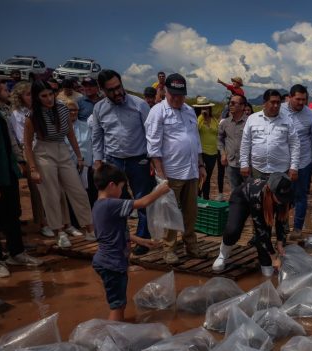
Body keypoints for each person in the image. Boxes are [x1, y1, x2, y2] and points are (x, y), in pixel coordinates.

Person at [0, 67, 42, 278]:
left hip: (7, 173)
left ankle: (16, 253)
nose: (3, 86)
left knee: (12, 215)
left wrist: (18, 164)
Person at [91, 163, 168, 321]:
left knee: (119, 302)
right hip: (112, 264)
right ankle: (113, 338)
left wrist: (142, 241)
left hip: (108, 261)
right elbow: (142, 203)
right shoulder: (111, 204)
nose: (121, 191)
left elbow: (116, 233)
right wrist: (160, 190)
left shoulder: (99, 205)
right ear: (111, 185)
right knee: (117, 305)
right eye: (121, 187)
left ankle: (116, 332)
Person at [145, 73, 208, 265]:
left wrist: (201, 164)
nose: (177, 99)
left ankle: (191, 245)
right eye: (173, 95)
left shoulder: (189, 110)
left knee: (191, 212)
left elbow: (195, 141)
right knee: (170, 212)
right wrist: (161, 175)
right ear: (165, 92)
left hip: (191, 171)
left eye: (180, 95)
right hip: (170, 172)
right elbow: (153, 146)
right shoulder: (158, 112)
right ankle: (168, 249)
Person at [23, 80, 94, 248]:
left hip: (62, 148)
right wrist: (32, 168)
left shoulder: (62, 108)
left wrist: (79, 156)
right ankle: (59, 232)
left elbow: (70, 133)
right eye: (44, 96)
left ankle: (89, 229)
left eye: (50, 94)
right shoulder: (33, 116)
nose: (48, 99)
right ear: (37, 97)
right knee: (51, 193)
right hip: (43, 151)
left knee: (77, 190)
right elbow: (27, 144)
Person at [92, 69, 154, 253]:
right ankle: (120, 238)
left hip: (139, 160)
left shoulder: (139, 104)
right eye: (111, 90)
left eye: (119, 87)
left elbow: (151, 134)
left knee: (143, 201)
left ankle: (143, 239)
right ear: (102, 90)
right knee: (116, 203)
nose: (117, 92)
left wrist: (152, 158)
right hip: (113, 161)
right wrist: (98, 162)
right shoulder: (99, 108)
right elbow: (97, 137)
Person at [212, 173, 294, 275]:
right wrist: (274, 257)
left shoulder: (288, 195)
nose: (283, 201)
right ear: (270, 191)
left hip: (264, 203)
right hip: (242, 200)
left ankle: (265, 265)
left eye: (285, 198)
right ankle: (222, 255)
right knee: (233, 230)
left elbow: (281, 220)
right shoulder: (258, 195)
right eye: (280, 197)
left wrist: (280, 243)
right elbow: (261, 231)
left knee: (268, 271)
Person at [282, 84, 312, 236]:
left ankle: (298, 228)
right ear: (290, 97)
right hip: (281, 162)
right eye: (298, 99)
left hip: (303, 161)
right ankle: (283, 224)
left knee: (300, 195)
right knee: (282, 195)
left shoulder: (310, 115)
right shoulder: (279, 111)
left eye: (304, 100)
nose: (301, 103)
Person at [9, 80, 47, 233]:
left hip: (46, 149)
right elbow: (21, 137)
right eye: (27, 94)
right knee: (37, 189)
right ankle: (42, 222)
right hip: (30, 150)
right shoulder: (17, 114)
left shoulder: (41, 109)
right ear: (20, 97)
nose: (31, 97)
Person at [239, 89, 300, 180]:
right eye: (272, 102)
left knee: (278, 194)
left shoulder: (287, 120)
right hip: (257, 169)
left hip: (281, 170)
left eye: (278, 103)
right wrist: (244, 164)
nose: (276, 105)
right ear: (264, 103)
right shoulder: (252, 119)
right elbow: (245, 143)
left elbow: (295, 144)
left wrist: (294, 167)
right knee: (258, 194)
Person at [218, 94, 248, 193]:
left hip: (247, 165)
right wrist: (222, 153)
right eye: (230, 103)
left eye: (234, 103)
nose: (230, 105)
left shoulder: (250, 122)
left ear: (243, 106)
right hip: (231, 164)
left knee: (249, 192)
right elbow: (220, 139)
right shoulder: (224, 123)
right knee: (235, 193)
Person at [193, 96, 219, 200]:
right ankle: (197, 197)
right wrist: (202, 118)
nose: (205, 110)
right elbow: (196, 131)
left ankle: (206, 197)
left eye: (206, 108)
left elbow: (217, 132)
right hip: (201, 152)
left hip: (213, 153)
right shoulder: (197, 119)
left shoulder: (214, 120)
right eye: (202, 108)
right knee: (200, 176)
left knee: (208, 177)